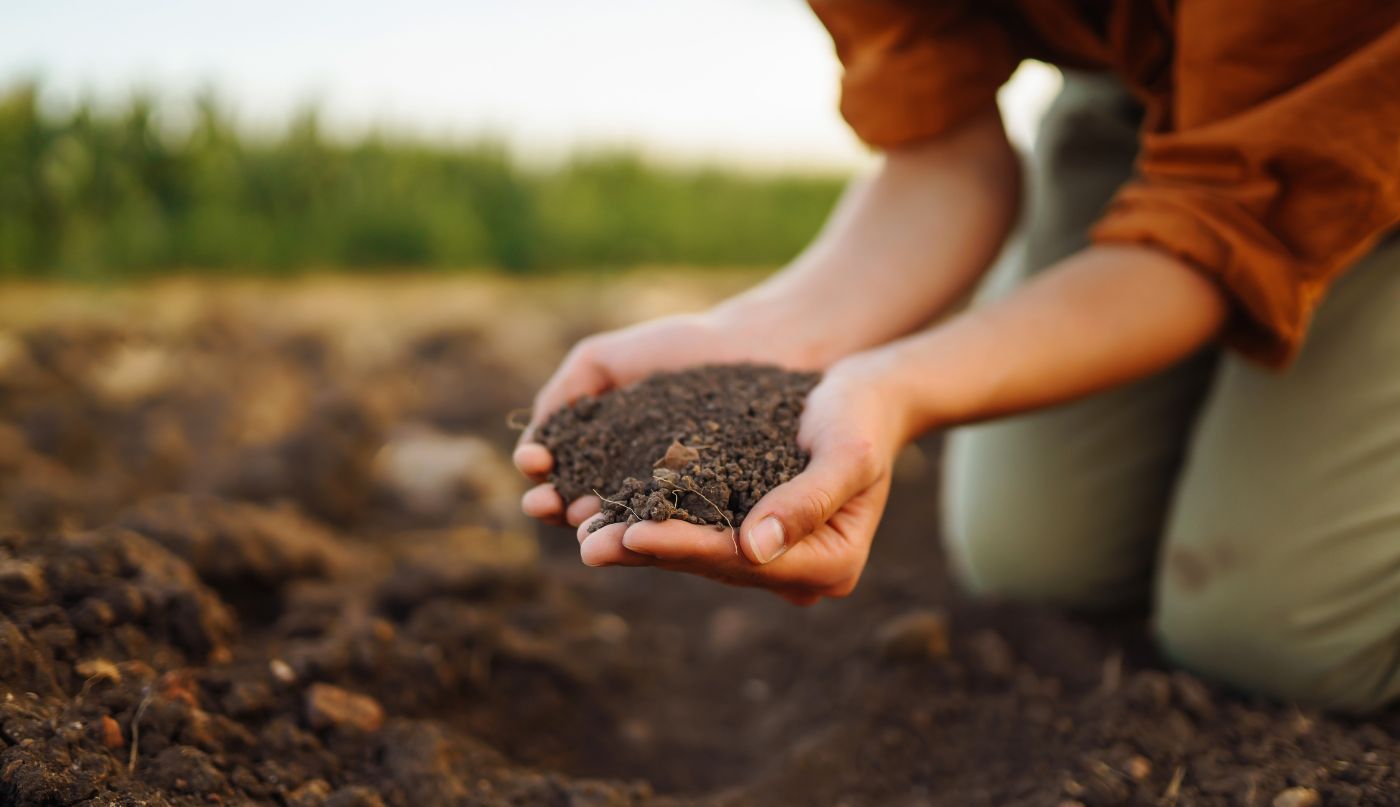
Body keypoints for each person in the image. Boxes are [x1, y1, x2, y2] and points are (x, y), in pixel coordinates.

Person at [514, 2, 1400, 713]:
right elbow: (944, 153)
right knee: (1039, 559)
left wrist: (902, 386)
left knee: (1275, 636)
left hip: (1362, 88)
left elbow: (1218, 226)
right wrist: (768, 342)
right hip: (1146, 86)